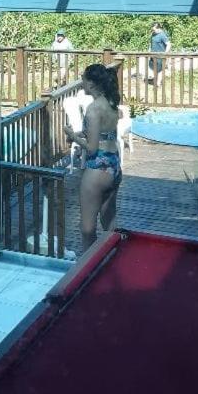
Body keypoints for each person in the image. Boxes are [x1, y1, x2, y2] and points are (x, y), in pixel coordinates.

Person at [66, 63, 122, 252]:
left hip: (98, 169)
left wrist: (72, 136)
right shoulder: (110, 103)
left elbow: (92, 148)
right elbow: (104, 133)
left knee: (87, 229)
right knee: (109, 223)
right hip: (114, 165)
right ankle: (112, 257)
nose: (81, 83)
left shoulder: (93, 109)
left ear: (91, 83)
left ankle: (89, 264)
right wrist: (80, 134)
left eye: (83, 79)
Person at [149, 21, 171, 86]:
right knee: (154, 68)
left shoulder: (162, 35)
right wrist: (149, 51)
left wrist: (165, 53)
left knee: (160, 69)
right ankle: (155, 80)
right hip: (153, 55)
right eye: (153, 29)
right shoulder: (153, 34)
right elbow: (151, 44)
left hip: (160, 56)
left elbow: (168, 44)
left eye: (154, 29)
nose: (153, 30)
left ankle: (158, 83)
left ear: (158, 28)